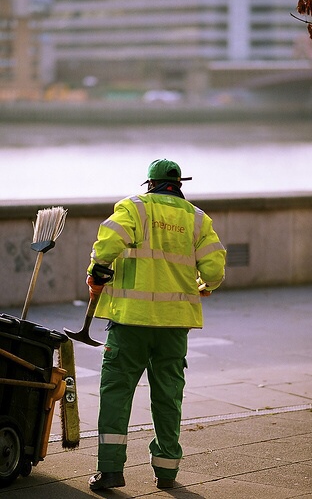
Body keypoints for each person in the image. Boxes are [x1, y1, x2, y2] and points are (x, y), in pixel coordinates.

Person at [86, 158, 226, 491]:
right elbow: (215, 271)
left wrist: (97, 273)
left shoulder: (134, 208)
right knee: (168, 396)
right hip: (174, 326)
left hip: (129, 323)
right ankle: (166, 472)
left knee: (117, 393)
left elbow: (108, 243)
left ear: (149, 183)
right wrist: (204, 286)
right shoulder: (197, 219)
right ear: (179, 185)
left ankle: (109, 471)